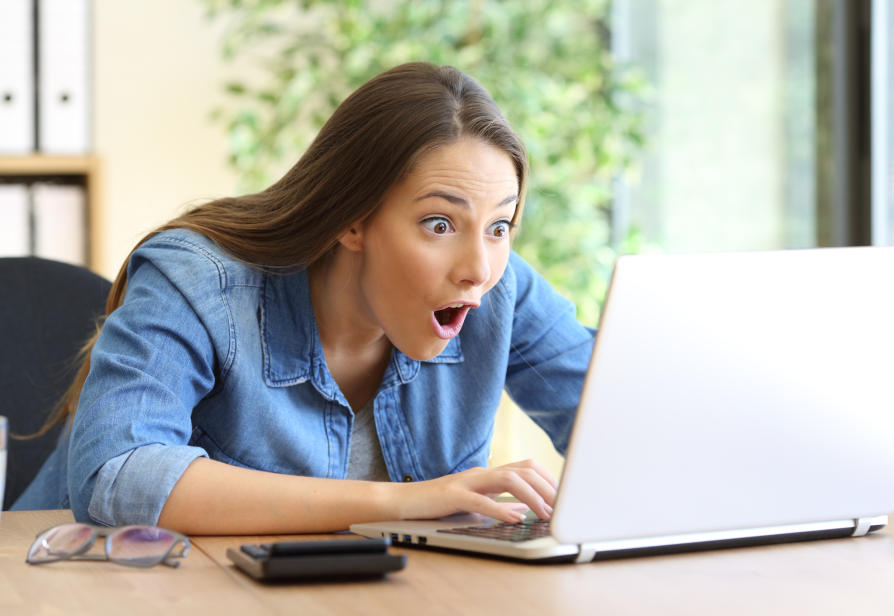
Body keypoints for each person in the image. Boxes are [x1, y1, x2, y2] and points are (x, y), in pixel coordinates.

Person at [13, 62, 595, 534]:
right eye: (439, 224)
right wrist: (405, 502)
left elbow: (615, 416)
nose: (479, 269)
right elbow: (118, 475)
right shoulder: (198, 280)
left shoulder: (499, 289)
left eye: (500, 226)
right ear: (352, 220)